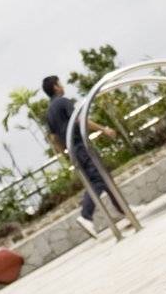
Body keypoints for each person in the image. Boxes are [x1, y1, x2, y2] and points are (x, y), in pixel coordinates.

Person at [42, 75, 121, 238]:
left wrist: (65, 154)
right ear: (56, 87)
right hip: (80, 146)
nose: (62, 86)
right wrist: (103, 129)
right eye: (60, 83)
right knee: (98, 180)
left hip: (73, 151)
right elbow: (79, 120)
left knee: (103, 177)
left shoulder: (49, 112)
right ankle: (86, 216)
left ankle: (123, 210)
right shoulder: (63, 102)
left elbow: (54, 138)